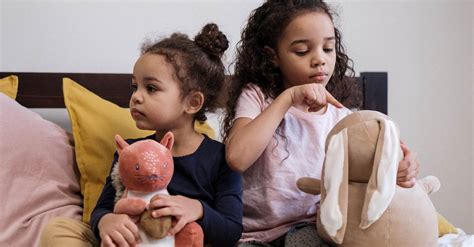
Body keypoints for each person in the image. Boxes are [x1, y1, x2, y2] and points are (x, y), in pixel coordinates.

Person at [223, 1, 419, 246]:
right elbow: (237, 157)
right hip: (256, 235)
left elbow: (383, 159)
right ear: (273, 56)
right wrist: (288, 98)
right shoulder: (258, 98)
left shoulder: (344, 118)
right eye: (303, 51)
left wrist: (402, 168)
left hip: (317, 228)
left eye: (328, 48)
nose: (319, 60)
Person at [41, 23, 242, 247]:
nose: (136, 97)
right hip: (132, 241)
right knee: (59, 229)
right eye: (134, 86)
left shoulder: (221, 158)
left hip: (180, 241)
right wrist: (106, 221)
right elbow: (103, 208)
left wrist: (198, 209)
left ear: (192, 102)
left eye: (151, 88)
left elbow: (231, 231)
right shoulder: (129, 151)